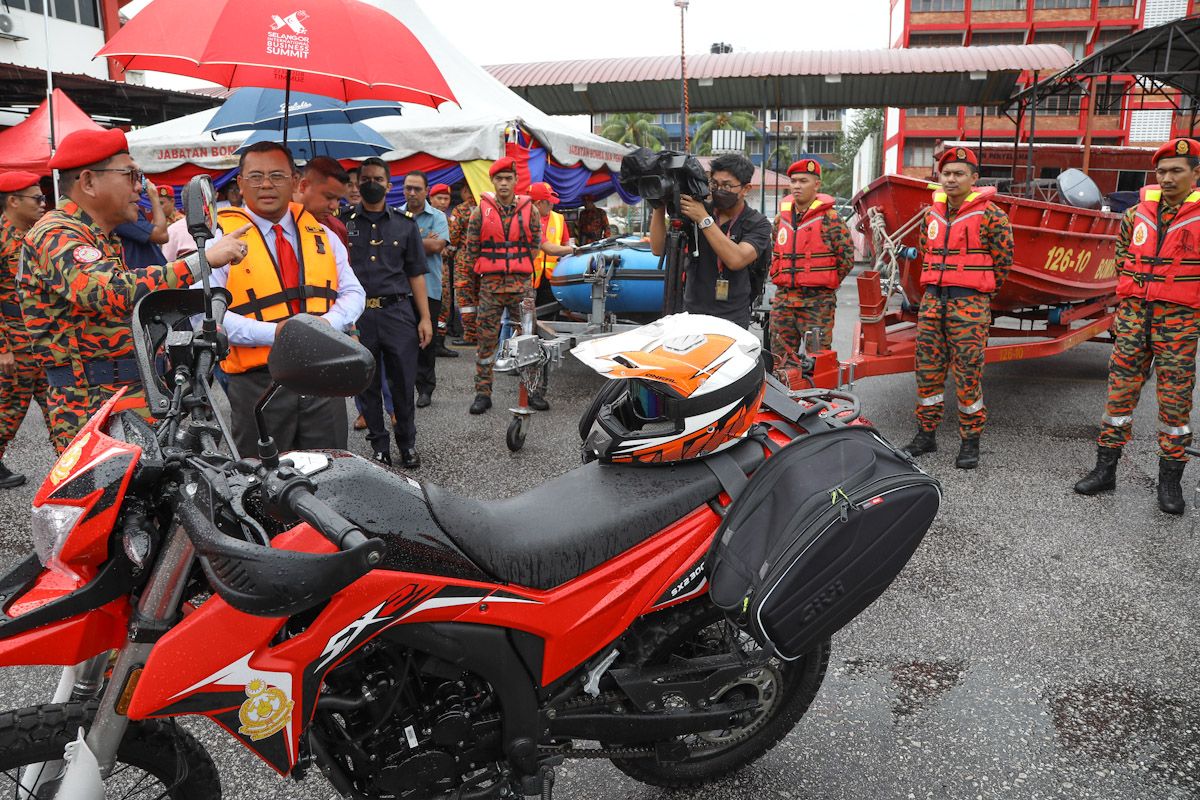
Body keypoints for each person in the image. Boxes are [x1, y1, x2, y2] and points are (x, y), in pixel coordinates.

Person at [21, 128, 250, 451]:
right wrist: (202, 262)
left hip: (125, 395)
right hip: (90, 406)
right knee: (110, 498)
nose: (139, 187)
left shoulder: (100, 236)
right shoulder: (57, 233)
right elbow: (110, 291)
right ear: (88, 182)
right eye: (130, 175)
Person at [212, 141, 364, 457]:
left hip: (323, 374)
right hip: (258, 383)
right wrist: (277, 333)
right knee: (261, 483)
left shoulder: (323, 234)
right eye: (255, 176)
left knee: (331, 470)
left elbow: (354, 293)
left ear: (295, 182)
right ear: (239, 184)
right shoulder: (219, 241)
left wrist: (324, 324)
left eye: (277, 175)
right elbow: (207, 315)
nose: (266, 184)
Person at [1074, 137, 1200, 514]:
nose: (1167, 177)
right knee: (1118, 398)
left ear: (1195, 173)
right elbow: (1124, 255)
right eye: (1161, 171)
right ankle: (1105, 470)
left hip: (1178, 321)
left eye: (1176, 170)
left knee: (1175, 406)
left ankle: (1170, 484)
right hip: (1133, 319)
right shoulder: (1135, 215)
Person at [902, 147, 1013, 470]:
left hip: (969, 304)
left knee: (968, 374)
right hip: (933, 302)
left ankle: (970, 442)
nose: (951, 179)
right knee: (927, 371)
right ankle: (926, 434)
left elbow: (1003, 262)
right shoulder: (930, 216)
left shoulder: (993, 216)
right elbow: (926, 249)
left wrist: (977, 292)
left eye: (959, 174)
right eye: (946, 173)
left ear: (974, 179)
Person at [345, 157, 432, 467]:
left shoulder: (404, 224)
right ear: (357, 184)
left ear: (388, 185)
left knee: (402, 383)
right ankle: (378, 446)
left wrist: (425, 317)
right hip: (358, 317)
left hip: (398, 313)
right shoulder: (344, 223)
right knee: (365, 383)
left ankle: (406, 444)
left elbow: (416, 274)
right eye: (365, 179)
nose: (371, 184)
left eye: (377, 179)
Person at [648, 153, 773, 328]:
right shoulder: (697, 209)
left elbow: (736, 259)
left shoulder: (757, 223)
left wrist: (704, 220)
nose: (719, 190)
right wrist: (659, 207)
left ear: (746, 189)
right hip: (692, 314)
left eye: (727, 186)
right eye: (714, 184)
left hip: (732, 318)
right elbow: (658, 249)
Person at [462, 157, 543, 414]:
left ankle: (534, 392)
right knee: (486, 343)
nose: (504, 183)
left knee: (530, 341)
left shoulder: (531, 211)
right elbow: (471, 252)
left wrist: (518, 272)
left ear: (516, 181)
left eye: (509, 178)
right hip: (491, 288)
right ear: (493, 181)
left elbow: (534, 247)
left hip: (521, 287)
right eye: (500, 179)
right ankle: (483, 393)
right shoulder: (479, 213)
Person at [770, 159, 854, 361]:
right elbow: (776, 251)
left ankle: (818, 394)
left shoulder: (831, 219)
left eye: (803, 181)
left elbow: (846, 258)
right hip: (784, 302)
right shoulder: (780, 220)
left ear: (816, 184)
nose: (797, 186)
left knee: (818, 360)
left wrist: (825, 281)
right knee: (779, 359)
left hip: (817, 303)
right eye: (793, 181)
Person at [0, 171, 51, 487]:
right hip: (14, 342)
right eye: (37, 198)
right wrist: (2, 347)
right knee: (8, 412)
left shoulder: (37, 238)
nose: (43, 203)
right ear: (13, 201)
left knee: (62, 409)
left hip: (43, 340)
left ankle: (76, 469)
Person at [399, 169, 450, 408]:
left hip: (429, 289)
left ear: (426, 191)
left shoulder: (437, 216)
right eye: (408, 188)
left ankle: (425, 388)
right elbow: (392, 247)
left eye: (417, 189)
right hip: (399, 290)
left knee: (426, 343)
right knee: (400, 343)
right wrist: (422, 242)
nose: (412, 193)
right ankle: (403, 388)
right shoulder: (396, 215)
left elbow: (437, 245)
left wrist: (405, 242)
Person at [529, 181, 575, 308]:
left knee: (549, 312)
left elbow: (567, 243)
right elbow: (549, 248)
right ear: (538, 203)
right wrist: (575, 250)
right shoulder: (526, 220)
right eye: (549, 201)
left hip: (553, 277)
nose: (552, 204)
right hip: (530, 279)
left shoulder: (559, 219)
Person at [114, 175, 168, 269]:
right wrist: (154, 197)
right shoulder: (118, 211)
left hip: (152, 276)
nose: (139, 187)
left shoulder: (130, 208)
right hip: (144, 278)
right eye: (132, 179)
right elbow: (161, 235)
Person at [295, 156, 350, 246]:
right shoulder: (276, 220)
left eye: (338, 199)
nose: (334, 206)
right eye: (328, 197)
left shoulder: (337, 228)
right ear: (303, 186)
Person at [449, 182, 479, 346]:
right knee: (480, 297)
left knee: (465, 298)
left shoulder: (460, 210)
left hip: (464, 259)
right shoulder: (486, 208)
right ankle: (484, 334)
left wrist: (451, 251)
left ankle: (470, 335)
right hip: (482, 260)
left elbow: (453, 235)